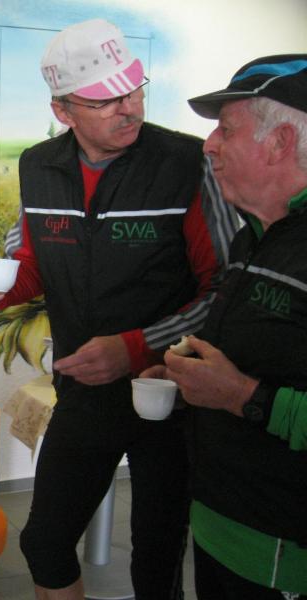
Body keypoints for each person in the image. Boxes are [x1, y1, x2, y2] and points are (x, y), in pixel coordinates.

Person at [0, 18, 238, 600]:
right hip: (85, 390)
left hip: (173, 393)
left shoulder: (187, 162)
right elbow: (31, 261)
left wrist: (136, 347)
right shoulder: (39, 166)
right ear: (63, 111)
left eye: (134, 89)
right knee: (44, 542)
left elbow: (223, 289)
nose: (128, 107)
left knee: (158, 557)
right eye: (106, 99)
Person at [141, 54, 307, 599]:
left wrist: (242, 396)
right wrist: (187, 377)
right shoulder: (251, 236)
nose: (209, 145)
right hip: (219, 525)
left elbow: (249, 388)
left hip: (283, 556)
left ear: (280, 141)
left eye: (226, 130)